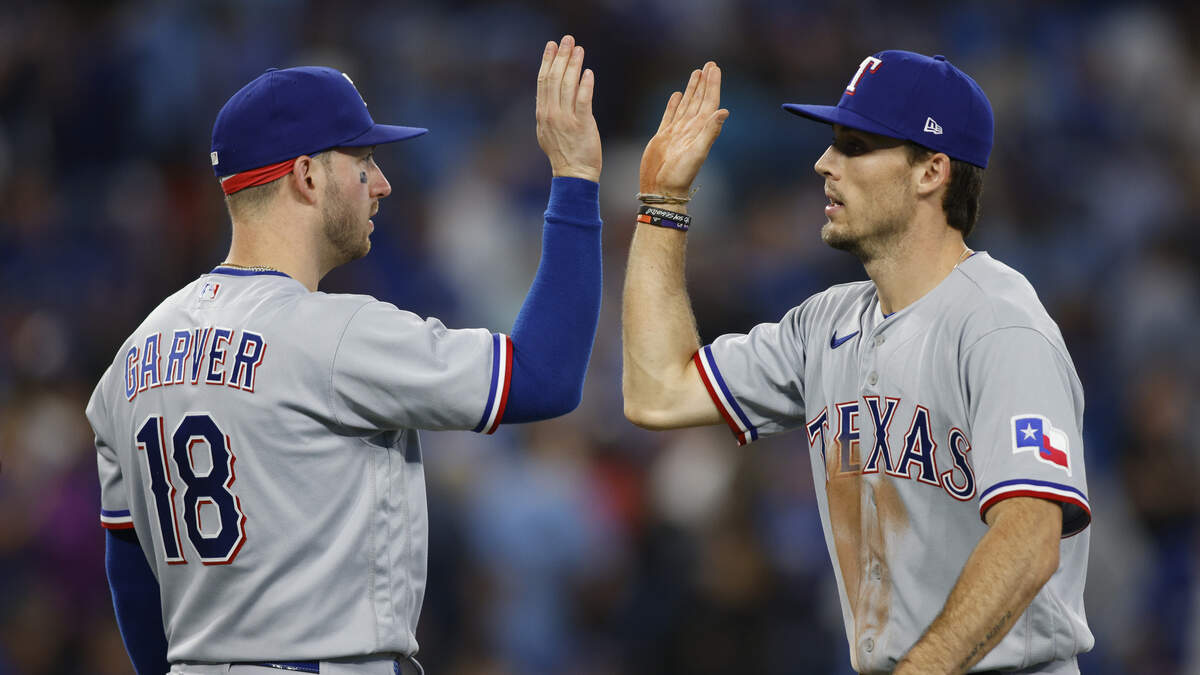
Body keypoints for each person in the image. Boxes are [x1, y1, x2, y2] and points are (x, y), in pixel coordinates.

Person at [87, 36, 603, 675]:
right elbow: (544, 379)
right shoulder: (335, 333)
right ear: (306, 176)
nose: (381, 184)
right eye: (362, 161)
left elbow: (131, 569)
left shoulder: (131, 358)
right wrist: (576, 182)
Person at [622, 52, 1093, 673]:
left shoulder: (999, 326)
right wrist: (664, 203)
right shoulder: (827, 324)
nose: (824, 163)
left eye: (855, 145)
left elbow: (1031, 540)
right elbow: (657, 391)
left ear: (931, 171)